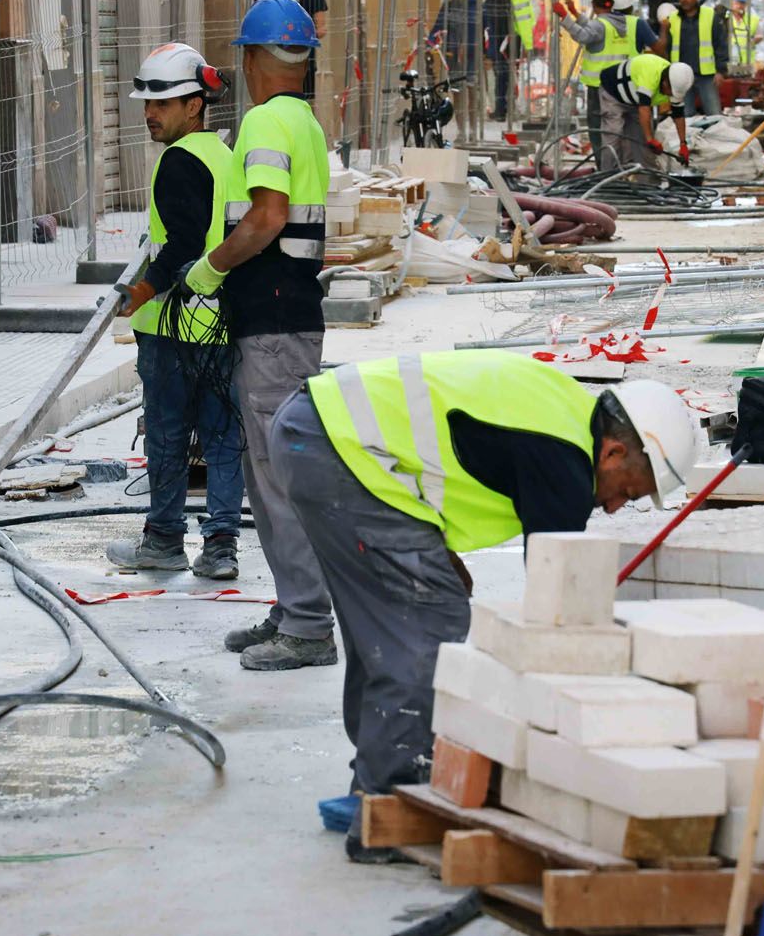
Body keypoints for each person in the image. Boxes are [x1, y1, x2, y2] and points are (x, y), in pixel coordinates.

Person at [266, 351, 699, 861]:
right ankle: (391, 805)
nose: (612, 507)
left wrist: (437, 548)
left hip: (315, 431)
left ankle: (376, 780)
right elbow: (555, 609)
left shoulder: (561, 409)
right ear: (613, 454)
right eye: (627, 491)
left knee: (392, 620)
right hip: (335, 447)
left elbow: (451, 440)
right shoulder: (565, 461)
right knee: (428, 617)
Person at [176, 0, 337, 671]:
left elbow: (266, 217)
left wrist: (209, 270)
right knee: (269, 472)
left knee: (275, 478)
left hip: (271, 322)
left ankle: (306, 623)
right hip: (285, 315)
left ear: (250, 58)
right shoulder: (304, 119)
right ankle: (292, 610)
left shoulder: (268, 120)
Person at [108, 43, 245, 581]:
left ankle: (164, 540)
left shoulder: (177, 161)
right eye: (147, 101)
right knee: (222, 436)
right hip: (219, 324)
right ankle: (221, 547)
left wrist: (141, 291)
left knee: (168, 433)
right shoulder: (224, 156)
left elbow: (182, 244)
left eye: (163, 102)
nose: (150, 113)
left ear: (195, 106)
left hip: (173, 328)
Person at [555, 0, 641, 166]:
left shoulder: (601, 25)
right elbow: (594, 29)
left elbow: (585, 35)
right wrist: (576, 14)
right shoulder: (619, 23)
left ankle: (604, 166)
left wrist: (565, 18)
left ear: (594, 3)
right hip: (619, 85)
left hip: (598, 86)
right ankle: (620, 165)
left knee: (598, 129)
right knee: (616, 129)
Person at [598, 53, 693, 169]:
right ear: (665, 82)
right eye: (670, 92)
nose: (671, 96)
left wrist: (683, 144)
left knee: (642, 142)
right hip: (612, 92)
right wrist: (650, 139)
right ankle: (608, 178)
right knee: (614, 133)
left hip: (635, 100)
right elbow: (644, 110)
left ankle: (648, 182)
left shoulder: (675, 82)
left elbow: (678, 115)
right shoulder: (650, 73)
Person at [663, 0, 728, 120]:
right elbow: (666, 47)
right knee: (685, 116)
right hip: (681, 76)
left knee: (715, 115)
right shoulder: (672, 18)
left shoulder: (710, 15)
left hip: (706, 76)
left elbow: (720, 44)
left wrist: (720, 71)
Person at [431, 0, 480, 140]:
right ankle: (461, 131)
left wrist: (483, 52)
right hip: (454, 57)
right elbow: (438, 27)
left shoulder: (477, 7)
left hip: (473, 57)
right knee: (458, 93)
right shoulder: (449, 7)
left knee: (472, 93)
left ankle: (473, 130)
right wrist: (430, 41)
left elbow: (483, 32)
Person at [480, 0, 517, 120]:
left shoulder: (514, 5)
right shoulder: (490, 4)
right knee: (500, 79)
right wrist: (485, 53)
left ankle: (507, 109)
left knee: (508, 79)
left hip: (511, 48)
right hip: (496, 49)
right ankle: (501, 110)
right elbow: (481, 29)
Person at [725, 0, 764, 69]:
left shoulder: (753, 19)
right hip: (731, 62)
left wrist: (752, 42)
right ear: (731, 3)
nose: (739, 6)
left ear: (746, 5)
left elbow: (760, 36)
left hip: (748, 63)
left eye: (742, 3)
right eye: (736, 3)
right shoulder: (726, 19)